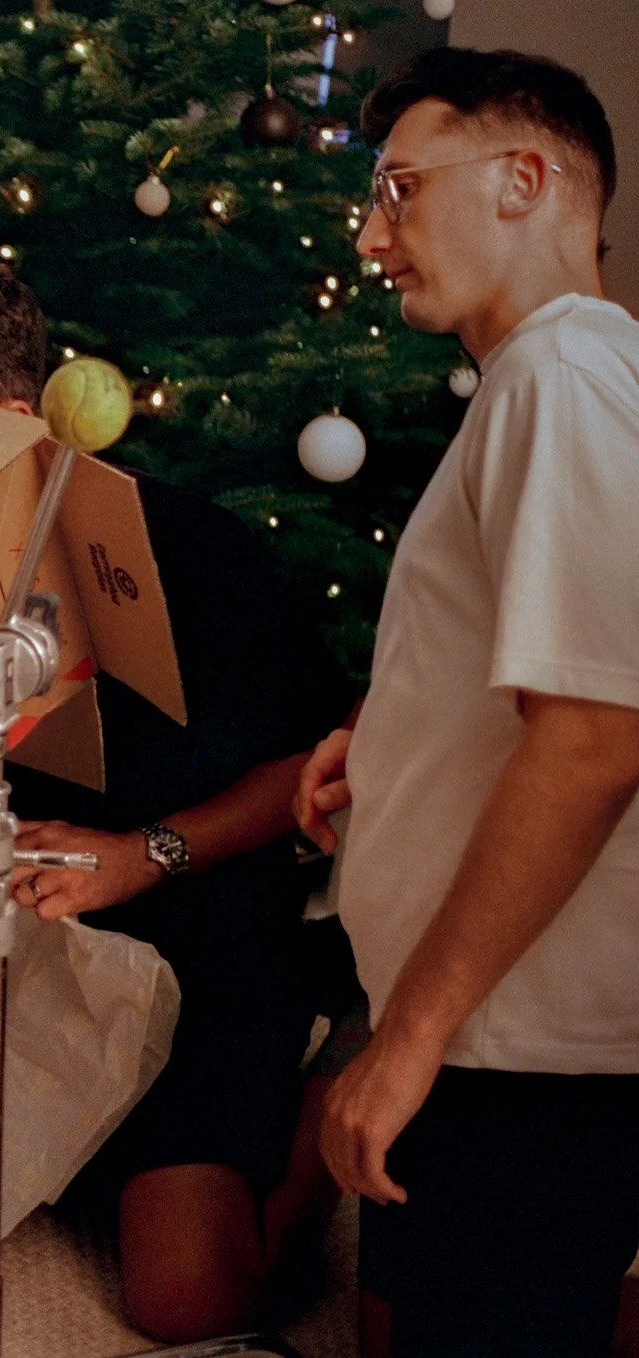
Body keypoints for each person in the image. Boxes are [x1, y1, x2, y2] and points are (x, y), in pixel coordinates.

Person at [0, 247, 356, 1342]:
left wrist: (136, 855)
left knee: (189, 1298)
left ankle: (335, 1063)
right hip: (10, 913)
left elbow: (306, 767)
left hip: (193, 907)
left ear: (17, 420)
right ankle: (77, 1133)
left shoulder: (196, 553)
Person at [291, 48, 639, 1358]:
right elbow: (554, 684)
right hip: (503, 1047)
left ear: (524, 179)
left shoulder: (566, 375)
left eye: (398, 190)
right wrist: (391, 750)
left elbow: (602, 737)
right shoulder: (551, 385)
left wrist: (409, 1035)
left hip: (518, 1063)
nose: (373, 235)